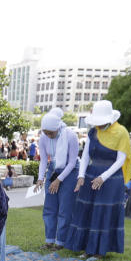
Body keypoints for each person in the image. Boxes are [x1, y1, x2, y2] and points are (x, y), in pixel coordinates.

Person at [65, 100, 131, 258]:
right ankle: (87, 248)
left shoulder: (121, 132)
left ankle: (99, 251)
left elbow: (121, 160)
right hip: (91, 175)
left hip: (111, 179)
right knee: (88, 210)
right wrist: (81, 176)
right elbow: (86, 155)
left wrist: (103, 177)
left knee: (103, 213)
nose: (99, 125)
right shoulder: (93, 132)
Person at [35, 107, 79, 250]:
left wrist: (59, 180)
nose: (48, 135)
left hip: (70, 171)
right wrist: (40, 178)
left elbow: (72, 162)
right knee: (50, 206)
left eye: (50, 132)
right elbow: (43, 160)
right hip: (53, 170)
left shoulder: (70, 136)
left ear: (57, 127)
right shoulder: (43, 137)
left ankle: (61, 242)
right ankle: (49, 240)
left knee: (65, 208)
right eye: (45, 132)